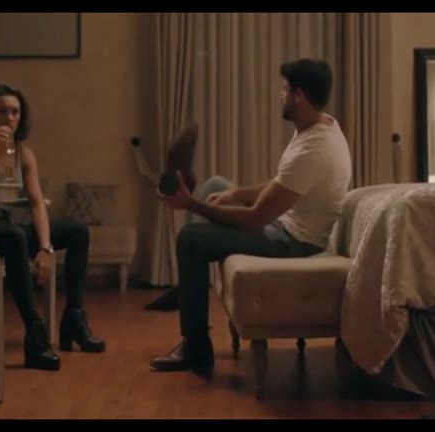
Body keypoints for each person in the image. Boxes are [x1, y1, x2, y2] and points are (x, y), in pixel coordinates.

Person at [150, 58, 352, 376]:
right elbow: (283, 184)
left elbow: (256, 219)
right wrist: (235, 193)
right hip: (285, 224)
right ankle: (190, 284)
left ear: (298, 95)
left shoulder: (315, 149)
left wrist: (190, 205)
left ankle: (196, 346)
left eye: (285, 90)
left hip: (294, 242)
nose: (281, 95)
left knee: (190, 240)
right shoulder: (320, 125)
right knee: (217, 185)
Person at [0, 84, 105, 371]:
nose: (9, 117)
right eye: (3, 111)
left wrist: (46, 248)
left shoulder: (23, 153)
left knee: (77, 231)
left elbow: (36, 203)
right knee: (15, 235)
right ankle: (34, 331)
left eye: (15, 112)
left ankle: (74, 319)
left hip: (9, 228)